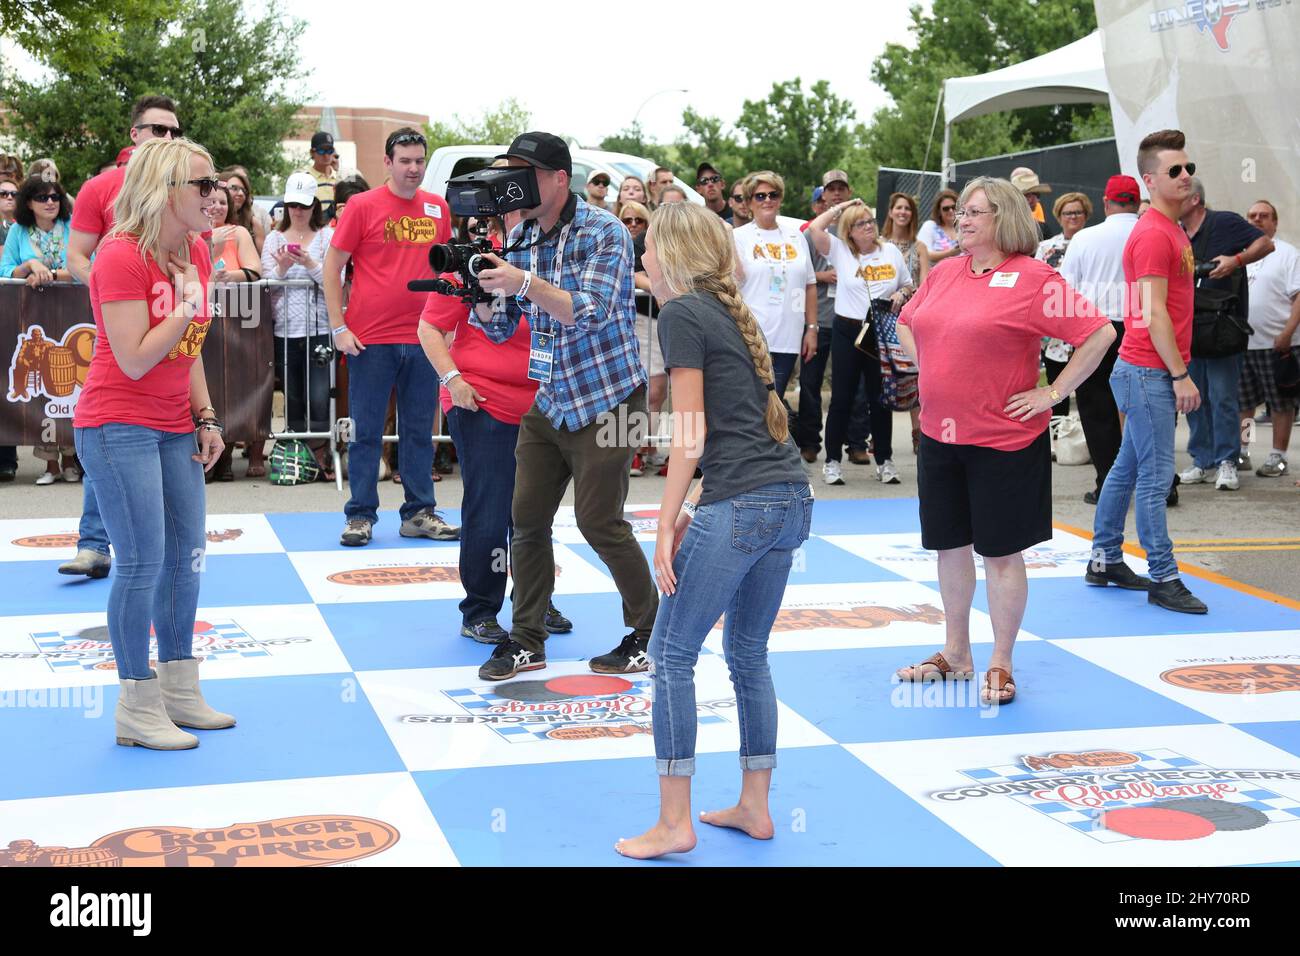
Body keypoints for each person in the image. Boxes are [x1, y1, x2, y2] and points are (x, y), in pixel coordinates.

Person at [614, 201, 812, 861]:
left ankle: (674, 823)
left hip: (745, 502)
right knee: (747, 654)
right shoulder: (728, 311)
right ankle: (755, 806)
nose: (639, 254)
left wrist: (666, 519)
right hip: (789, 499)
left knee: (671, 655)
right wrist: (699, 500)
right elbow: (735, 427)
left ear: (669, 254)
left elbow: (691, 432)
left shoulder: (680, 314)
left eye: (645, 245)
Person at [895, 175, 1114, 703]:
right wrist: (931, 369)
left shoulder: (1034, 278)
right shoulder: (946, 273)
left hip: (1004, 439)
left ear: (1005, 218)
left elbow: (1099, 333)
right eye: (961, 212)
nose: (961, 219)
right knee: (949, 547)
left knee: (1000, 554)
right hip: (940, 435)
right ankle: (956, 653)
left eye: (974, 212)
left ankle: (1001, 661)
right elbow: (905, 320)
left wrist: (1053, 393)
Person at [470, 131, 658, 681]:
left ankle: (649, 630)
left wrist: (523, 280)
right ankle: (527, 639)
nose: (511, 183)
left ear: (556, 178)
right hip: (550, 399)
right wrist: (480, 292)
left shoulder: (605, 231)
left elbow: (594, 311)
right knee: (525, 521)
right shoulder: (521, 233)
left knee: (599, 522)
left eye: (521, 171)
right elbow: (503, 328)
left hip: (611, 395)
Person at [73, 137, 235, 750]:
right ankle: (137, 706)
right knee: (141, 562)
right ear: (166, 190)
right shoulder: (120, 255)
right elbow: (138, 358)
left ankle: (179, 690)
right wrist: (189, 299)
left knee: (186, 559)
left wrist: (207, 416)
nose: (214, 195)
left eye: (215, 183)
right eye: (202, 184)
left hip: (174, 426)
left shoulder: (195, 248)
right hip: (118, 424)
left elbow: (186, 347)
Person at [417, 214, 573, 645]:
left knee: (535, 512)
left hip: (542, 404)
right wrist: (453, 380)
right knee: (490, 509)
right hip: (482, 399)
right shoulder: (473, 261)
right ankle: (481, 609)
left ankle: (535, 600)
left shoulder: (550, 261)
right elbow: (429, 327)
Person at [62, 93, 182, 579]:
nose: (167, 139)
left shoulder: (182, 188)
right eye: (158, 130)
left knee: (151, 438)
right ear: (134, 135)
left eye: (174, 132)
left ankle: (164, 551)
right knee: (112, 425)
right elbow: (76, 256)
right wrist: (116, 296)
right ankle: (94, 543)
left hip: (171, 322)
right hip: (120, 326)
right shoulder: (100, 187)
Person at [1091, 129, 1209, 614]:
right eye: (1175, 171)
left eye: (1189, 168)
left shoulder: (1171, 228)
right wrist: (1180, 375)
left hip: (1145, 369)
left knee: (1127, 468)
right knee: (1157, 476)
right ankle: (1164, 576)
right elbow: (1153, 312)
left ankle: (1104, 560)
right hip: (1148, 371)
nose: (1186, 176)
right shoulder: (1154, 234)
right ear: (1149, 180)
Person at [323, 128, 459, 546]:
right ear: (388, 162)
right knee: (366, 432)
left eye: (419, 160)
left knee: (419, 430)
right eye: (405, 161)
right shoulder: (362, 206)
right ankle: (360, 515)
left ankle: (419, 512)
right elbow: (332, 267)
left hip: (424, 338)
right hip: (370, 339)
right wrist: (339, 327)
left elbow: (447, 272)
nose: (413, 168)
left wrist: (449, 328)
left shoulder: (438, 207)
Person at [807, 198, 913, 486]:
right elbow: (814, 227)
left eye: (870, 221)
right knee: (842, 397)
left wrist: (901, 296)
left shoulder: (889, 251)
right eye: (860, 223)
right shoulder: (840, 250)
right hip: (848, 331)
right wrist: (844, 207)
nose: (868, 227)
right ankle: (832, 462)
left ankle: (885, 460)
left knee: (880, 398)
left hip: (879, 329)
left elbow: (907, 283)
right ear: (849, 231)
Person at [1177, 177, 1273, 490]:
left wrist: (1236, 260)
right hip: (1188, 328)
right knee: (1193, 399)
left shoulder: (1224, 222)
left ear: (1194, 199)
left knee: (1222, 398)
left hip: (1222, 328)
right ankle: (1202, 460)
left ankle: (1227, 460)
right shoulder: (1174, 231)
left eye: (1177, 194)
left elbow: (1265, 243)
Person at [1059, 175, 1142, 504]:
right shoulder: (1154, 233)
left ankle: (1109, 483)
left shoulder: (1084, 238)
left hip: (1095, 328)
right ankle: (1160, 482)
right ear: (1136, 202)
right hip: (1143, 325)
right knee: (1143, 407)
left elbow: (1066, 290)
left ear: (1106, 203)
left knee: (1097, 409)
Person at [1, 176, 78, 485]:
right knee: (42, 387)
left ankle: (72, 460)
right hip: (32, 318)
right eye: (42, 197)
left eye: (55, 197)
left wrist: (52, 275)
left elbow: (89, 264)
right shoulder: (18, 232)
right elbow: (6, 271)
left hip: (72, 313)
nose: (50, 202)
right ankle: (51, 466)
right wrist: (30, 266)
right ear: (28, 203)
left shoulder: (73, 227)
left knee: (68, 385)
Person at [262, 172, 336, 479]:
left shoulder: (327, 237)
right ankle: (297, 455)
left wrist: (308, 264)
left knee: (320, 396)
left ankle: (320, 451)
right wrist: (282, 267)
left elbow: (336, 280)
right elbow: (268, 284)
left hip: (318, 326)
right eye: (293, 204)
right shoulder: (273, 238)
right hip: (285, 328)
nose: (298, 210)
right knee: (291, 395)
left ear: (314, 205)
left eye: (303, 204)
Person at [793, 187, 871, 465]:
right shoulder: (811, 236)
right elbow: (795, 272)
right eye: (831, 193)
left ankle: (857, 442)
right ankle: (810, 442)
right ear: (821, 202)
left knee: (855, 385)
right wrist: (823, 275)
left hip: (852, 321)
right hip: (819, 320)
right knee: (810, 382)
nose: (837, 196)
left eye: (842, 191)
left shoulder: (860, 233)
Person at [733, 171, 817, 400]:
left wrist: (811, 328)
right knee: (755, 402)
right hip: (752, 335)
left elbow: (808, 284)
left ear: (780, 199)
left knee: (775, 400)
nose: (767, 200)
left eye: (773, 194)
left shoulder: (795, 237)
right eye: (760, 196)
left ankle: (773, 437)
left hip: (789, 334)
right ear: (749, 202)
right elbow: (731, 284)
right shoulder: (737, 237)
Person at [1239, 199, 1300, 477]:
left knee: (1280, 403)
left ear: (1274, 222)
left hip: (1277, 344)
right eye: (1252, 216)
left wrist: (1287, 333)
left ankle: (1278, 455)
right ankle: (1244, 451)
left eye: (1264, 216)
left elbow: (1298, 296)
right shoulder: (1240, 254)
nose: (1257, 220)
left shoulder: (1288, 254)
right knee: (1245, 403)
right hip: (1242, 344)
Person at [1035, 191, 1095, 416]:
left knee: (1090, 394)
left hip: (1088, 326)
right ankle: (1059, 442)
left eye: (1078, 212)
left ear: (1086, 215)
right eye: (1068, 213)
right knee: (1056, 390)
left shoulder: (1094, 243)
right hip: (1055, 332)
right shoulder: (1046, 247)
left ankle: (1088, 445)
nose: (1073, 217)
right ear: (1059, 216)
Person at [622, 200, 666, 477]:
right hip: (639, 322)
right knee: (639, 391)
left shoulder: (659, 243)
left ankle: (648, 446)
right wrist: (657, 288)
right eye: (628, 220)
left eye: (639, 220)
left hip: (667, 323)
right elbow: (634, 275)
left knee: (659, 392)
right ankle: (633, 452)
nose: (634, 225)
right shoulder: (630, 245)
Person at [0, 165, 19, 483]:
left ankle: (6, 458)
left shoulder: (18, 229)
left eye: (14, 193)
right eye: (3, 193)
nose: (8, 198)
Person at [220, 166, 268, 253]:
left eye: (244, 190)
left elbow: (265, 262)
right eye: (234, 188)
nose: (241, 193)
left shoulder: (253, 224)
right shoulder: (207, 222)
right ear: (220, 189)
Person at [918, 189, 961, 262]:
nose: (950, 210)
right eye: (946, 208)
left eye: (954, 207)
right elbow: (923, 253)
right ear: (939, 211)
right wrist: (952, 252)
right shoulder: (930, 226)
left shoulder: (965, 227)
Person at [303, 131, 340, 210]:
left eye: (329, 151)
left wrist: (338, 171)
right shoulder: (305, 178)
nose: (326, 155)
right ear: (312, 153)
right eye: (321, 151)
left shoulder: (339, 177)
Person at [1009, 166, 1051, 237]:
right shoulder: (1000, 228)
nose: (1037, 199)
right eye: (1026, 195)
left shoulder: (1042, 229)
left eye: (1037, 194)